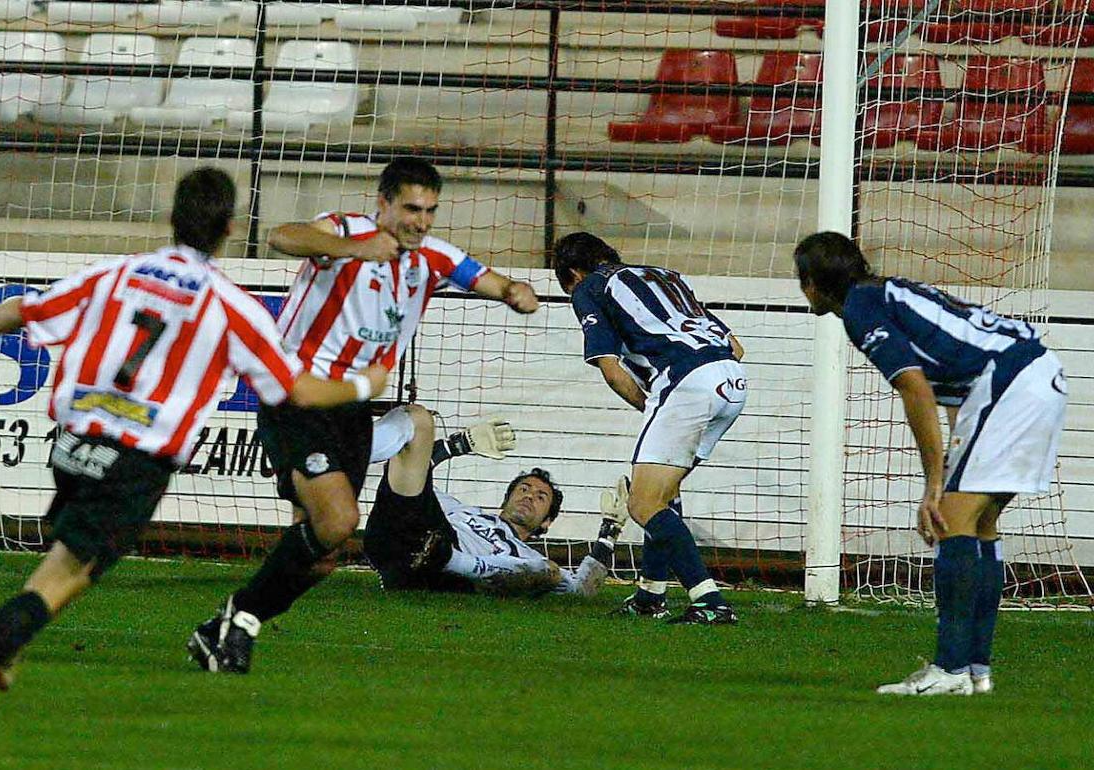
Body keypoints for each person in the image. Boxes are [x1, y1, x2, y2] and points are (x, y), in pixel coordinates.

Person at [0, 168, 388, 728]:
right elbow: (297, 389)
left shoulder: (116, 273)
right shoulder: (231, 305)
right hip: (132, 462)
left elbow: (26, 310)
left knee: (65, 565)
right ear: (229, 228)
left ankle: (6, 644)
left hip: (72, 446)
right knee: (64, 578)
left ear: (172, 217)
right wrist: (367, 383)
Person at [188, 157, 540, 674]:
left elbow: (485, 278)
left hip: (351, 408)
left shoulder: (433, 258)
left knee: (323, 554)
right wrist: (352, 250)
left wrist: (514, 293)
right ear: (384, 204)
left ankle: (228, 625)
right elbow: (284, 236)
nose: (420, 221)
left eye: (430, 211)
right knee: (340, 520)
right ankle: (236, 622)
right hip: (298, 394)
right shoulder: (346, 229)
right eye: (411, 209)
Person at [793, 231, 1067, 696]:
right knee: (979, 523)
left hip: (1012, 381)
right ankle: (976, 670)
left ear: (812, 283)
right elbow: (958, 385)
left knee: (949, 519)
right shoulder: (886, 292)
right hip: (1030, 376)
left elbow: (915, 388)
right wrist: (952, 462)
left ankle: (950, 668)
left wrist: (932, 484)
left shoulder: (861, 309)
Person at [553, 232, 746, 625]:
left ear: (573, 273)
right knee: (664, 492)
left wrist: (652, 405)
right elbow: (736, 346)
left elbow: (610, 368)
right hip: (732, 380)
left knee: (642, 503)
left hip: (687, 384)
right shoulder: (665, 276)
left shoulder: (589, 287)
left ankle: (709, 600)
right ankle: (650, 596)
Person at [363, 404, 628, 597]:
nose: (529, 496)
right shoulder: (460, 510)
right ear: (505, 499)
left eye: (540, 497)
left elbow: (582, 590)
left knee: (548, 571)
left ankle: (449, 560)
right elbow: (412, 474)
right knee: (418, 419)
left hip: (443, 574)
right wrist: (458, 445)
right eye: (524, 489)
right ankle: (351, 454)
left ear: (546, 523)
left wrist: (610, 531)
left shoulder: (525, 557)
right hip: (404, 537)